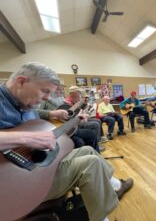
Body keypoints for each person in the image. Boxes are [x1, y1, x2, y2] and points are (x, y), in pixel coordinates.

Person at [0, 62, 133, 221]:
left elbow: (35, 114)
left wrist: (52, 114)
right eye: (45, 91)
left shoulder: (26, 105)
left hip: (35, 171)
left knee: (88, 151)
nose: (48, 98)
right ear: (21, 81)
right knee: (90, 163)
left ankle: (115, 185)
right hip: (13, 189)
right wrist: (27, 138)